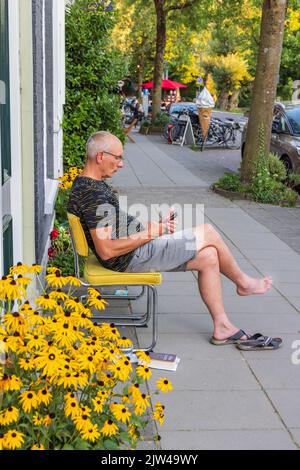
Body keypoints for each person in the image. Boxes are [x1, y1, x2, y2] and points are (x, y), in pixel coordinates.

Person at [67, 131, 281, 349]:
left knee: (208, 256)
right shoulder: (92, 195)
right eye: (118, 158)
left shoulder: (88, 185)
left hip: (139, 247)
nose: (121, 164)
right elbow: (106, 250)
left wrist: (153, 227)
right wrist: (152, 233)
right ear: (101, 156)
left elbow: (113, 230)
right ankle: (244, 283)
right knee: (208, 232)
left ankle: (223, 326)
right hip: (133, 256)